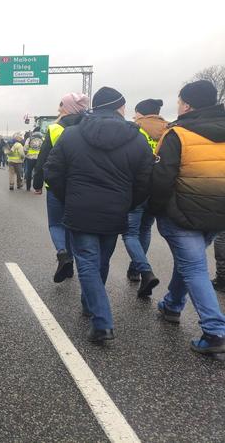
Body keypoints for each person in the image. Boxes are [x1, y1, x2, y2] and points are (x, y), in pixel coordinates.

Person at [44, 87, 153, 342]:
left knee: (88, 262)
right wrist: (128, 203)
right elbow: (145, 181)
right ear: (118, 108)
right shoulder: (137, 139)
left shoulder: (71, 135)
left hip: (80, 210)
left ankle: (102, 321)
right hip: (115, 211)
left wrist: (68, 197)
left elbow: (52, 172)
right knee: (100, 261)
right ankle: (90, 305)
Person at [149, 80, 225, 355]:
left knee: (193, 266)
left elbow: (161, 179)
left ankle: (215, 330)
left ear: (188, 105)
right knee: (189, 260)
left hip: (182, 214)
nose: (178, 106)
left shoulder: (177, 134)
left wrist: (155, 209)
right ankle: (172, 305)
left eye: (180, 101)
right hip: (218, 214)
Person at [34, 92, 90, 282]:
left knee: (56, 224)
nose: (58, 109)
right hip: (82, 186)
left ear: (67, 108)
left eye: (61, 105)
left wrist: (37, 183)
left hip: (56, 185)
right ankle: (73, 263)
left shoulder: (55, 129)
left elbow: (43, 158)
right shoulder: (90, 126)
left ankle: (63, 254)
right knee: (74, 226)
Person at [121, 98, 167, 297]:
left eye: (136, 112)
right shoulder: (168, 130)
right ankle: (135, 269)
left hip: (137, 188)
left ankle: (145, 272)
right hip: (158, 189)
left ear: (140, 113)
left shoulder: (134, 130)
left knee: (130, 233)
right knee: (145, 229)